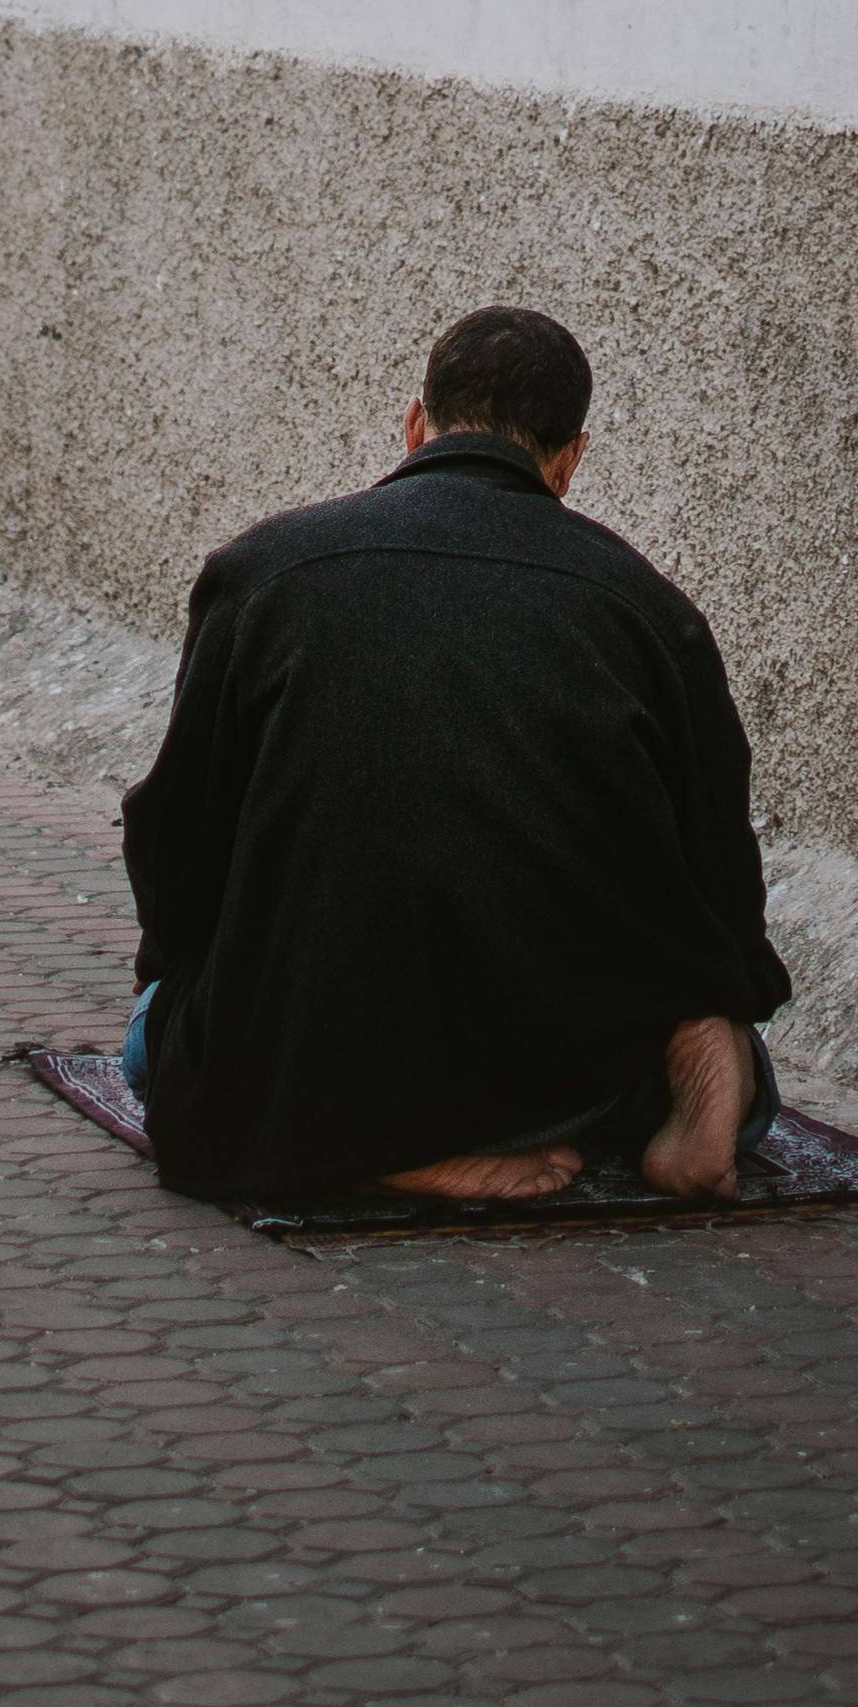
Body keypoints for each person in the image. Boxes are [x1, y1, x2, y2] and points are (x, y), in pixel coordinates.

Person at [117, 304, 789, 1205]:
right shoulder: (643, 606)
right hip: (568, 1075)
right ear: (568, 462)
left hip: (321, 1059)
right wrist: (722, 987)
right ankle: (698, 1048)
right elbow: (717, 856)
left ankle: (383, 1148)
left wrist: (190, 975)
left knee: (150, 1042)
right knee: (743, 1068)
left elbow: (179, 828)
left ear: (413, 424)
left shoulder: (263, 572)